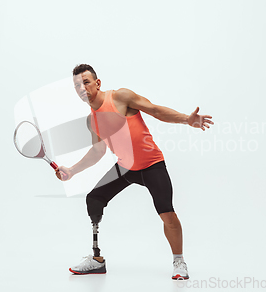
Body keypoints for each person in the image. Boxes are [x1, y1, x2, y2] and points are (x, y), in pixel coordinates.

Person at [55, 64, 213, 280]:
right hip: (125, 167)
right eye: (76, 85)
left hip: (151, 164)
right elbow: (98, 151)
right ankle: (97, 259)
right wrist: (72, 170)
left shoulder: (121, 97)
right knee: (94, 198)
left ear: (97, 83)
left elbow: (156, 110)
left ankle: (179, 261)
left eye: (85, 82)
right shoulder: (91, 120)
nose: (81, 88)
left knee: (166, 212)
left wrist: (186, 119)